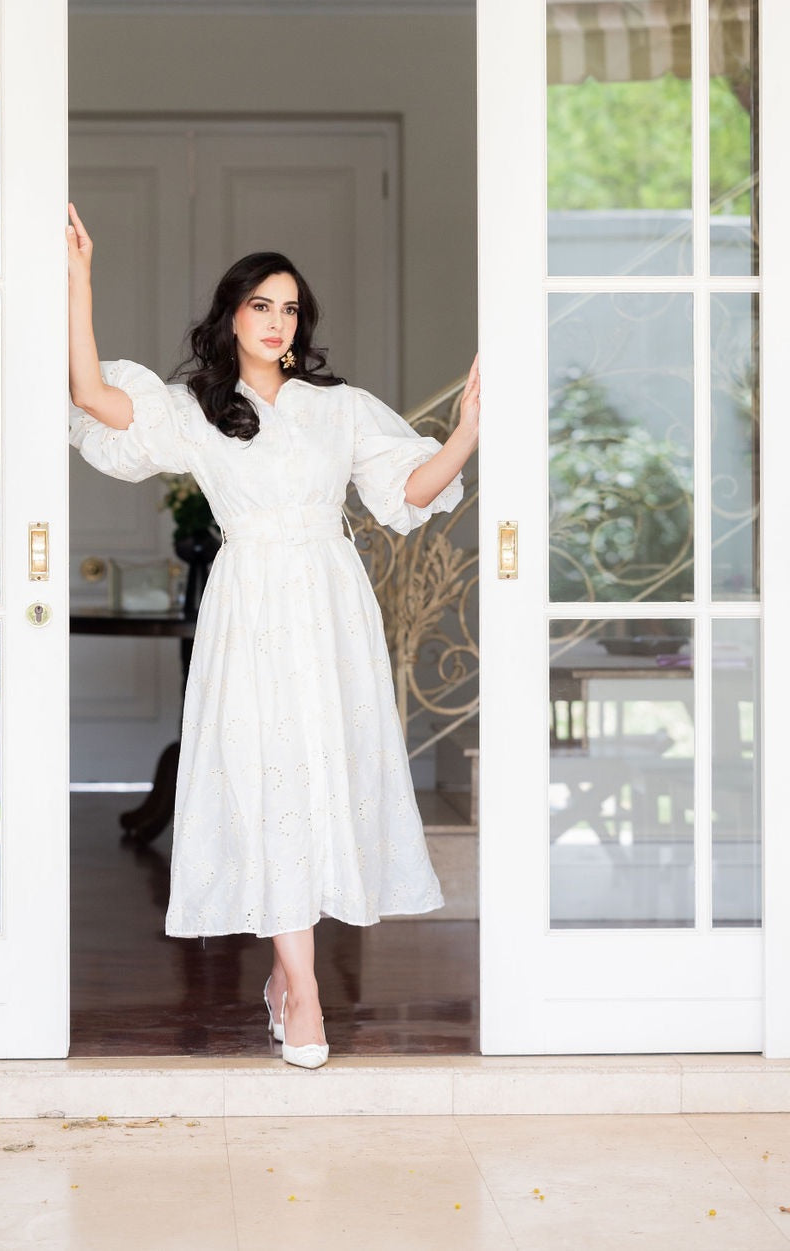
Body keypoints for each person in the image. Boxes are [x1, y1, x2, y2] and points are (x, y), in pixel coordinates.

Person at [66, 201, 480, 1069]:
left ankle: (290, 981)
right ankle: (306, 990)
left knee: (321, 778)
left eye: (290, 308)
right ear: (231, 316)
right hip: (249, 606)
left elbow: (407, 491)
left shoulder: (341, 408)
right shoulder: (193, 409)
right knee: (268, 779)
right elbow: (94, 397)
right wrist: (80, 279)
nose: (277, 320)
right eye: (261, 304)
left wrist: (468, 435)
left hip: (329, 606)